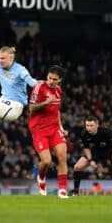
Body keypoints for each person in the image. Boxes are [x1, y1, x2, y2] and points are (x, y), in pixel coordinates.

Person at [28, 65, 69, 199]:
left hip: (54, 128)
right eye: (49, 78)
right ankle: (41, 178)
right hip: (39, 129)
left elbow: (56, 110)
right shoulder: (39, 86)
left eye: (54, 79)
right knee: (46, 161)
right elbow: (31, 108)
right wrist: (46, 102)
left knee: (62, 156)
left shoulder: (58, 90)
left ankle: (62, 190)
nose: (50, 81)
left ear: (60, 80)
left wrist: (61, 128)